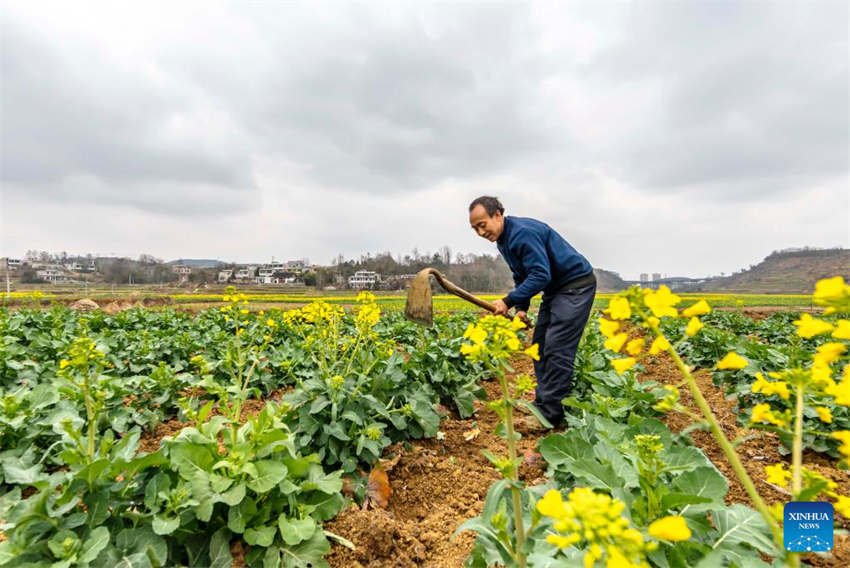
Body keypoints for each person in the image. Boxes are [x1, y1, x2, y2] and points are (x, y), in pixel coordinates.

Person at [468, 196, 596, 430]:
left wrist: (507, 301)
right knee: (539, 346)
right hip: (556, 290)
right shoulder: (504, 241)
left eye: (482, 224)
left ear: (497, 215)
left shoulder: (522, 233)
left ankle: (550, 416)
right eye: (475, 228)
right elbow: (522, 276)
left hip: (576, 286)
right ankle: (542, 403)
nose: (479, 232)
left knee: (557, 348)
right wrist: (521, 309)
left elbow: (540, 275)